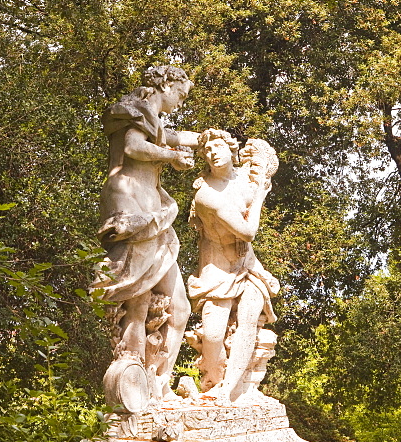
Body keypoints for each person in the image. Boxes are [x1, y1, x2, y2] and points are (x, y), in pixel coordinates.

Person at [92, 66, 199, 408]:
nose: (181, 102)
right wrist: (172, 157)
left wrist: (208, 138)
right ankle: (133, 391)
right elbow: (135, 147)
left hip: (154, 207)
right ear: (165, 84)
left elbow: (173, 137)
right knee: (136, 298)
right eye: (180, 94)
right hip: (130, 200)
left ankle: (158, 384)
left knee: (179, 306)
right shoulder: (132, 109)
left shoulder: (154, 118)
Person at [186, 129, 280, 404]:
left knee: (249, 319)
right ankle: (215, 384)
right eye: (206, 151)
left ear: (231, 149)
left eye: (217, 147)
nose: (212, 153)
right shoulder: (206, 195)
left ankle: (230, 391)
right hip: (216, 267)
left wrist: (261, 167)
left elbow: (263, 159)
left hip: (247, 264)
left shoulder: (243, 177)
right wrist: (261, 195)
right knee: (213, 334)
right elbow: (248, 231)